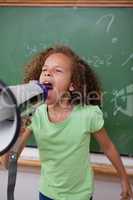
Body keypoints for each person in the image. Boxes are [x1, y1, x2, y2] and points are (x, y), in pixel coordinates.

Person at [1, 45, 133, 200]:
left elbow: (108, 147)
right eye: (44, 70)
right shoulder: (35, 113)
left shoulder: (88, 114)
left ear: (72, 84)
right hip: (47, 193)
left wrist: (124, 179)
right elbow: (8, 164)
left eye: (57, 70)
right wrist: (15, 133)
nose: (48, 73)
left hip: (80, 195)